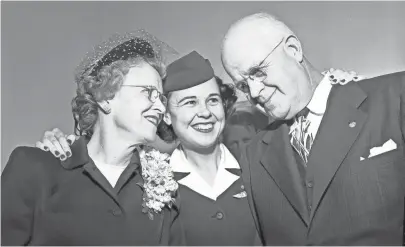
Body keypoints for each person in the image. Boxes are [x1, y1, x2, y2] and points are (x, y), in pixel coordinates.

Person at [36, 51, 263, 246]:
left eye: (213, 100)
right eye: (190, 102)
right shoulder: (150, 184)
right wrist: (66, 147)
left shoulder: (255, 164)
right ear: (165, 115)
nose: (205, 112)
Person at [221, 12, 405, 245]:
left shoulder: (395, 96)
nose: (254, 92)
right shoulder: (253, 156)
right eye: (243, 85)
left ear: (293, 49)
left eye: (258, 72)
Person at [1, 30, 185, 245]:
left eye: (161, 97)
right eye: (148, 92)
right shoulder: (35, 168)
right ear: (105, 97)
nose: (161, 107)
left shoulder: (163, 189)